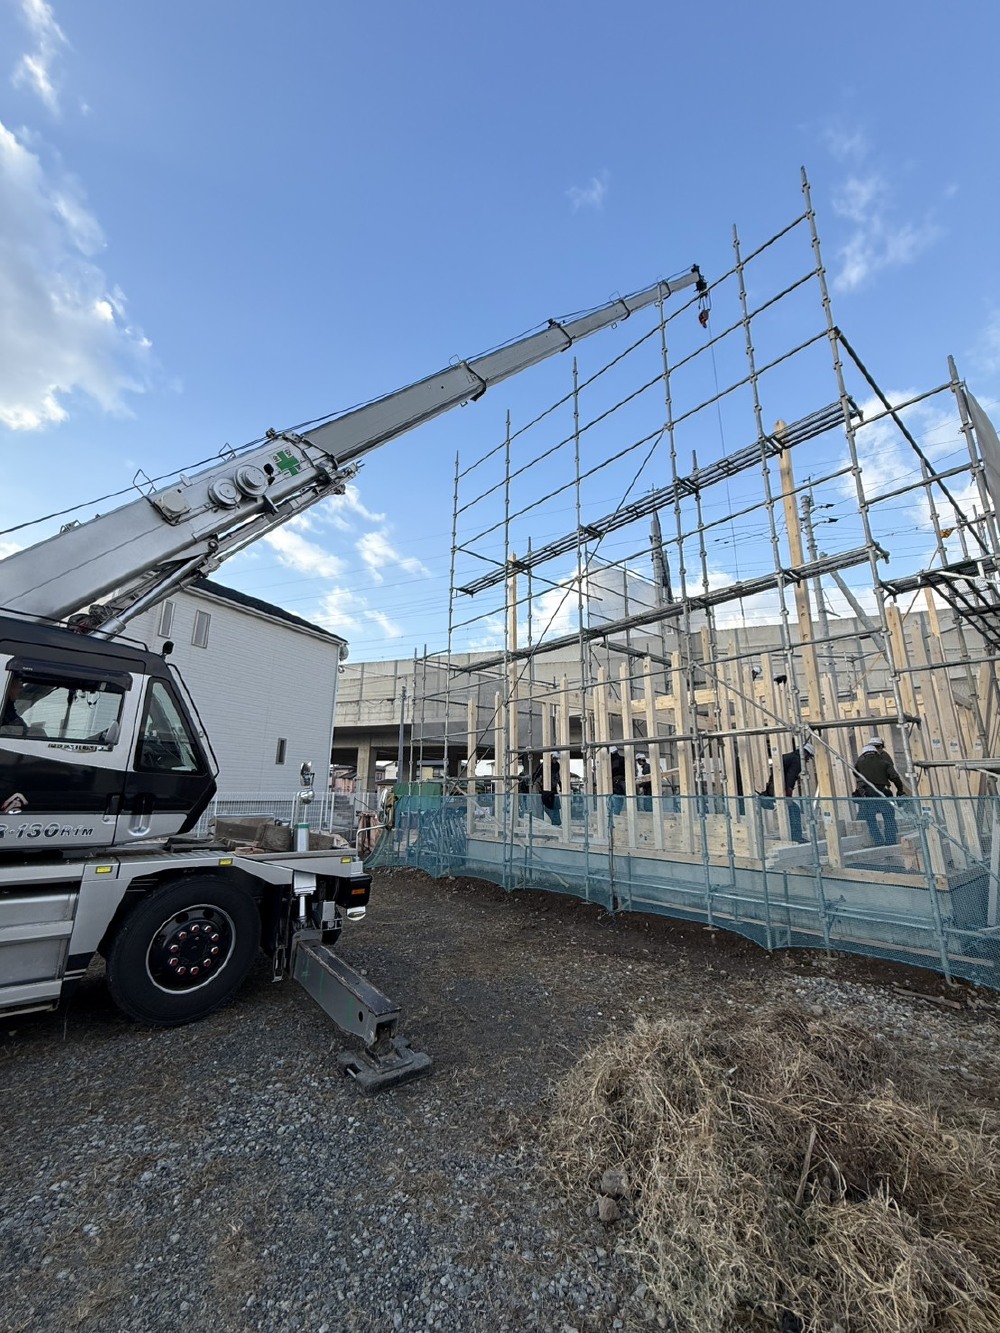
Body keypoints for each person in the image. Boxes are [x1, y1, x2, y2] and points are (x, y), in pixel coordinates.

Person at [853, 736, 909, 846]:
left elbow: (855, 773)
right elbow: (894, 776)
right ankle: (890, 841)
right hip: (883, 793)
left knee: (871, 820)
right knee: (888, 817)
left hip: (868, 795)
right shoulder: (884, 761)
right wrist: (900, 790)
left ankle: (878, 840)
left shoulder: (860, 761)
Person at [761, 742, 814, 842]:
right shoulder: (797, 760)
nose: (807, 760)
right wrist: (788, 793)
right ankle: (795, 837)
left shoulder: (791, 757)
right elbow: (791, 776)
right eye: (809, 757)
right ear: (806, 753)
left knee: (791, 809)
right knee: (794, 809)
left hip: (774, 788)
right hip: (779, 790)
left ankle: (794, 836)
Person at [609, 746, 627, 817]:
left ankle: (615, 815)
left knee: (615, 800)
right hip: (623, 782)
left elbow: (614, 769)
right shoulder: (623, 759)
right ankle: (617, 813)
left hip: (616, 783)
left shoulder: (613, 761)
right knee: (620, 799)